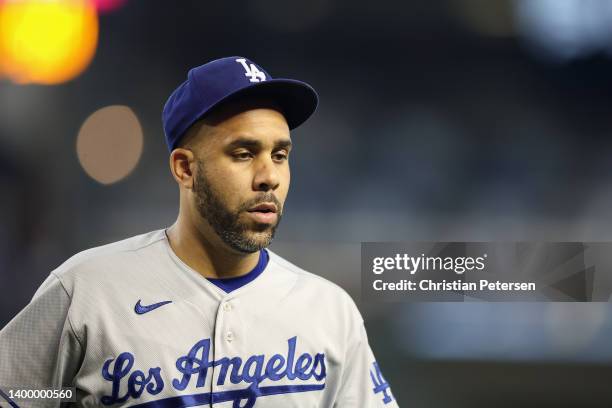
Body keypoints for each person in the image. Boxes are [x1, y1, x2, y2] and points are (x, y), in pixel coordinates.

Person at [0, 56, 398, 407]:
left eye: (280, 155)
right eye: (243, 154)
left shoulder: (330, 311)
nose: (269, 177)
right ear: (185, 169)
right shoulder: (87, 290)